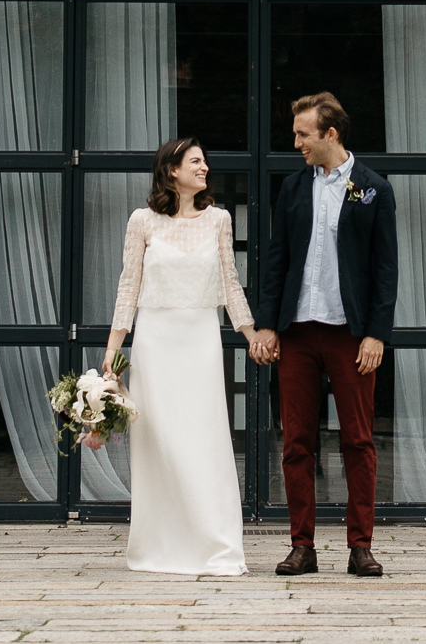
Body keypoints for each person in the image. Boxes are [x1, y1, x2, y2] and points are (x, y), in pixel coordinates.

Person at [247, 90, 396, 577]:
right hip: (297, 334)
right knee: (297, 442)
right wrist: (267, 324)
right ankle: (301, 546)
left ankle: (361, 546)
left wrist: (376, 333)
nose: (296, 143)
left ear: (330, 134)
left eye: (302, 134)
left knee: (358, 440)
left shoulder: (373, 187)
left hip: (350, 335)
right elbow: (275, 261)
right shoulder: (292, 189)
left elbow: (385, 269)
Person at [101, 136, 252, 575]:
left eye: (204, 161)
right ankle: (160, 546)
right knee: (159, 441)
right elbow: (128, 285)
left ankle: (217, 545)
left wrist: (251, 334)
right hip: (155, 340)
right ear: (172, 171)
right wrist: (114, 347)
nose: (204, 168)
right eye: (196, 161)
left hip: (201, 339)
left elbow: (230, 284)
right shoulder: (141, 221)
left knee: (204, 442)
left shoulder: (219, 220)